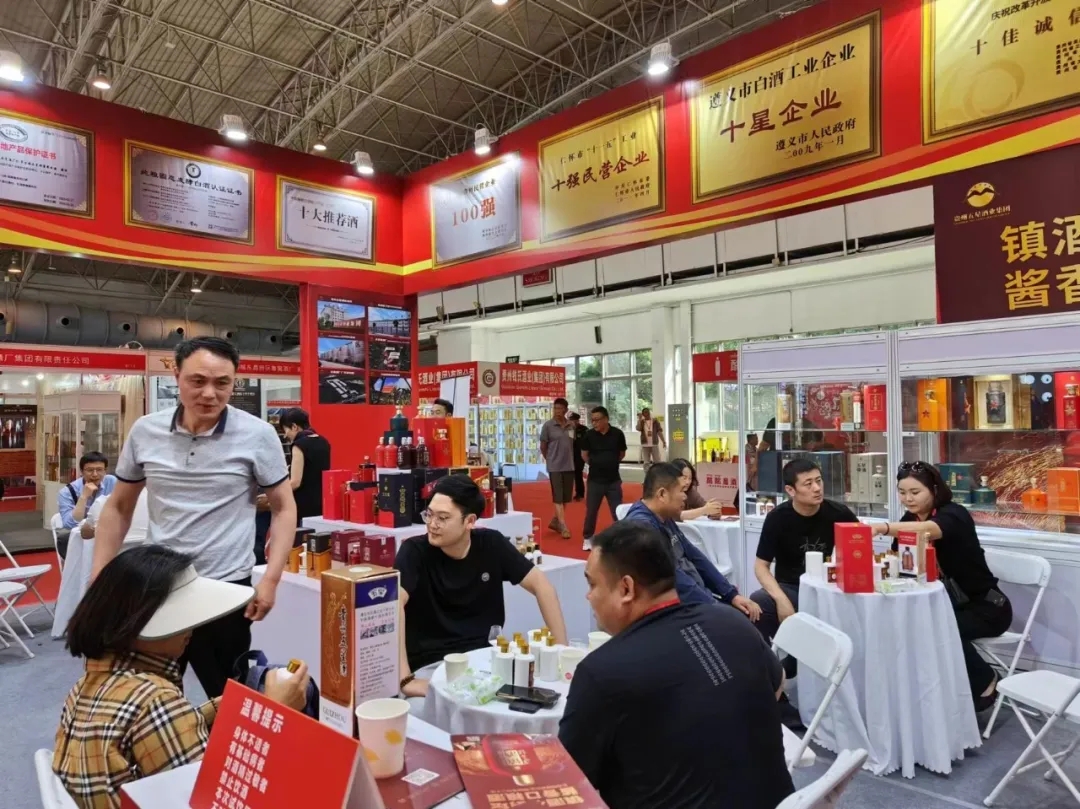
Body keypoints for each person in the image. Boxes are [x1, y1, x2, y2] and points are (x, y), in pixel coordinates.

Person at [92, 337, 297, 700]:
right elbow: (119, 507)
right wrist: (100, 579)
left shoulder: (258, 435)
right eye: (197, 381)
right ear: (176, 375)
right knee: (151, 695)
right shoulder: (146, 431)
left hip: (226, 587)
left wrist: (271, 580)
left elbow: (284, 508)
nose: (209, 394)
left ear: (234, 382)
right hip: (160, 588)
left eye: (222, 383)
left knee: (229, 697)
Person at [559, 521, 794, 809]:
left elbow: (567, 782)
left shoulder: (601, 672)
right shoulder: (733, 622)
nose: (588, 596)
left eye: (592, 584)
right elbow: (777, 684)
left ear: (626, 588)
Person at [53, 545, 310, 809]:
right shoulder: (156, 702)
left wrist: (243, 704)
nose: (192, 627)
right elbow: (221, 801)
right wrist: (276, 712)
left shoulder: (87, 687)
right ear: (139, 624)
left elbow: (165, 724)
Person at [396, 474, 568, 700]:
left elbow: (542, 585)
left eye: (443, 518)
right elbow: (394, 604)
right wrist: (406, 680)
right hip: (432, 664)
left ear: (470, 521)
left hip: (485, 660)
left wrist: (561, 652)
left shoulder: (491, 544)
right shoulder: (414, 552)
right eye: (429, 514)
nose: (432, 524)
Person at [869, 462, 1012, 712]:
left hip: (986, 607)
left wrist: (883, 528)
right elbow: (900, 560)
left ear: (934, 490)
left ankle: (986, 680)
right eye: (902, 492)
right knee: (901, 623)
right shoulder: (909, 519)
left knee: (931, 627)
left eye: (915, 492)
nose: (908, 499)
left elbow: (928, 531)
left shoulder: (954, 514)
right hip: (943, 604)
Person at [624, 463, 759, 620]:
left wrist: (731, 594)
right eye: (682, 490)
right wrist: (713, 606)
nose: (685, 496)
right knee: (741, 620)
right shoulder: (642, 529)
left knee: (751, 612)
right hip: (675, 611)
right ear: (662, 494)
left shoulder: (664, 517)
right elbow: (675, 578)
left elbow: (695, 556)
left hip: (695, 598)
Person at [750, 458, 859, 644]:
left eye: (819, 481)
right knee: (758, 602)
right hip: (792, 586)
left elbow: (860, 547)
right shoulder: (777, 518)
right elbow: (761, 566)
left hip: (829, 585)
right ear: (791, 490)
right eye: (808, 484)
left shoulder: (839, 513)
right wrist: (781, 599)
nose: (817, 488)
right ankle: (777, 656)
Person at [581, 406, 627, 552]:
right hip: (595, 480)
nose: (594, 423)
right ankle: (588, 537)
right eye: (592, 420)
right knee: (591, 511)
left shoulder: (617, 434)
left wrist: (610, 462)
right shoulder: (589, 435)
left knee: (617, 510)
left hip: (613, 480)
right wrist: (596, 463)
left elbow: (622, 454)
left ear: (606, 419)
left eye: (597, 420)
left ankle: (621, 538)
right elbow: (584, 455)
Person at [279, 408, 332, 525]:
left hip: (303, 505)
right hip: (322, 502)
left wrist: (274, 494)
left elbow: (295, 482)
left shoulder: (299, 445)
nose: (285, 435)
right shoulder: (323, 441)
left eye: (285, 430)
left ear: (294, 426)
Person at [539, 397, 575, 539]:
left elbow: (573, 443)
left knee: (566, 497)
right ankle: (563, 525)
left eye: (560, 408)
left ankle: (555, 521)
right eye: (555, 408)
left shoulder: (571, 426)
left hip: (569, 465)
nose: (557, 411)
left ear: (566, 410)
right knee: (558, 496)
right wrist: (549, 459)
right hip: (554, 466)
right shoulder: (548, 426)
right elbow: (543, 446)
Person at [58, 451, 116, 530]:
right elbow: (69, 524)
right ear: (82, 471)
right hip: (80, 533)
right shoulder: (67, 492)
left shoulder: (111, 482)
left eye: (99, 470)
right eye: (90, 470)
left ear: (105, 471)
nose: (95, 474)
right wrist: (84, 497)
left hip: (108, 529)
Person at [568, 412, 586, 501]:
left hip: (580, 455)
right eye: (571, 420)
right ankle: (567, 493)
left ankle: (580, 493)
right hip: (570, 455)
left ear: (578, 420)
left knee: (578, 474)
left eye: (574, 420)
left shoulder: (584, 430)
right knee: (569, 475)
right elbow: (569, 441)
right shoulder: (569, 430)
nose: (573, 422)